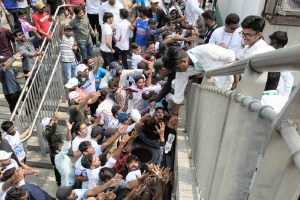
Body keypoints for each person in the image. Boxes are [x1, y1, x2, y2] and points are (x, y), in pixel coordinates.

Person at [161, 44, 236, 126]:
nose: (177, 71)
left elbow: (232, 57)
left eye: (177, 68)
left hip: (229, 87)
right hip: (215, 93)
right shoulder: (181, 71)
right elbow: (178, 94)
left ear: (184, 61)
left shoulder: (206, 51)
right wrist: (174, 115)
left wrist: (237, 80)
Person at [269, 31, 294, 97]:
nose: (270, 45)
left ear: (280, 45)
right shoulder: (274, 52)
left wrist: (285, 98)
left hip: (278, 93)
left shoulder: (284, 58)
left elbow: (288, 81)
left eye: (272, 43)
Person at [54, 119, 75, 187]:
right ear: (57, 150)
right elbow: (67, 144)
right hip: (68, 185)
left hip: (72, 182)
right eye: (61, 145)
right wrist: (69, 130)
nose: (63, 145)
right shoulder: (58, 157)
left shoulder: (64, 156)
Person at [59, 20, 78, 84]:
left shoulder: (73, 39)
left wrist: (76, 48)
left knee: (74, 78)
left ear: (72, 32)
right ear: (65, 31)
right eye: (67, 30)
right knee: (68, 79)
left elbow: (76, 47)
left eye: (70, 30)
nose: (68, 32)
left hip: (73, 61)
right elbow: (60, 33)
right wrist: (61, 26)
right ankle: (69, 92)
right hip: (66, 62)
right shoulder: (63, 38)